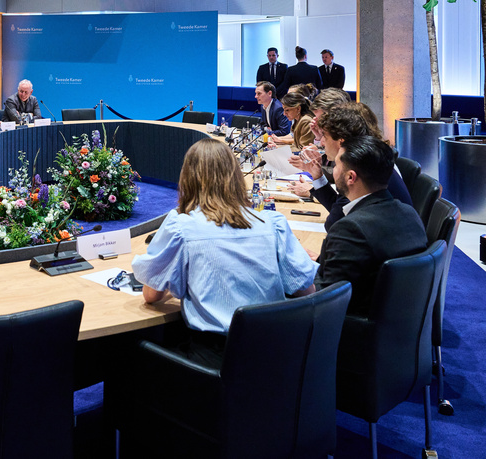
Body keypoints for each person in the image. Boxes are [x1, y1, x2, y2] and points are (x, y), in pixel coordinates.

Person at [132, 139, 317, 365]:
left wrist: (181, 280)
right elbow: (307, 291)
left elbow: (151, 296)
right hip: (277, 357)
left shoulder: (181, 227)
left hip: (215, 360)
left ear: (187, 179)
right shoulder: (272, 222)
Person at [313, 135, 427, 315]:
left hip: (353, 333)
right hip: (397, 325)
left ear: (351, 177)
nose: (333, 171)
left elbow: (325, 300)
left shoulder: (351, 229)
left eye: (335, 166)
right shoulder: (409, 213)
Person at [289, 103, 413, 229]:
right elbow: (341, 208)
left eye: (324, 136)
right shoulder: (368, 157)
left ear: (341, 141)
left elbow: (334, 223)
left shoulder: (360, 167)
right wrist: (317, 176)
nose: (321, 142)